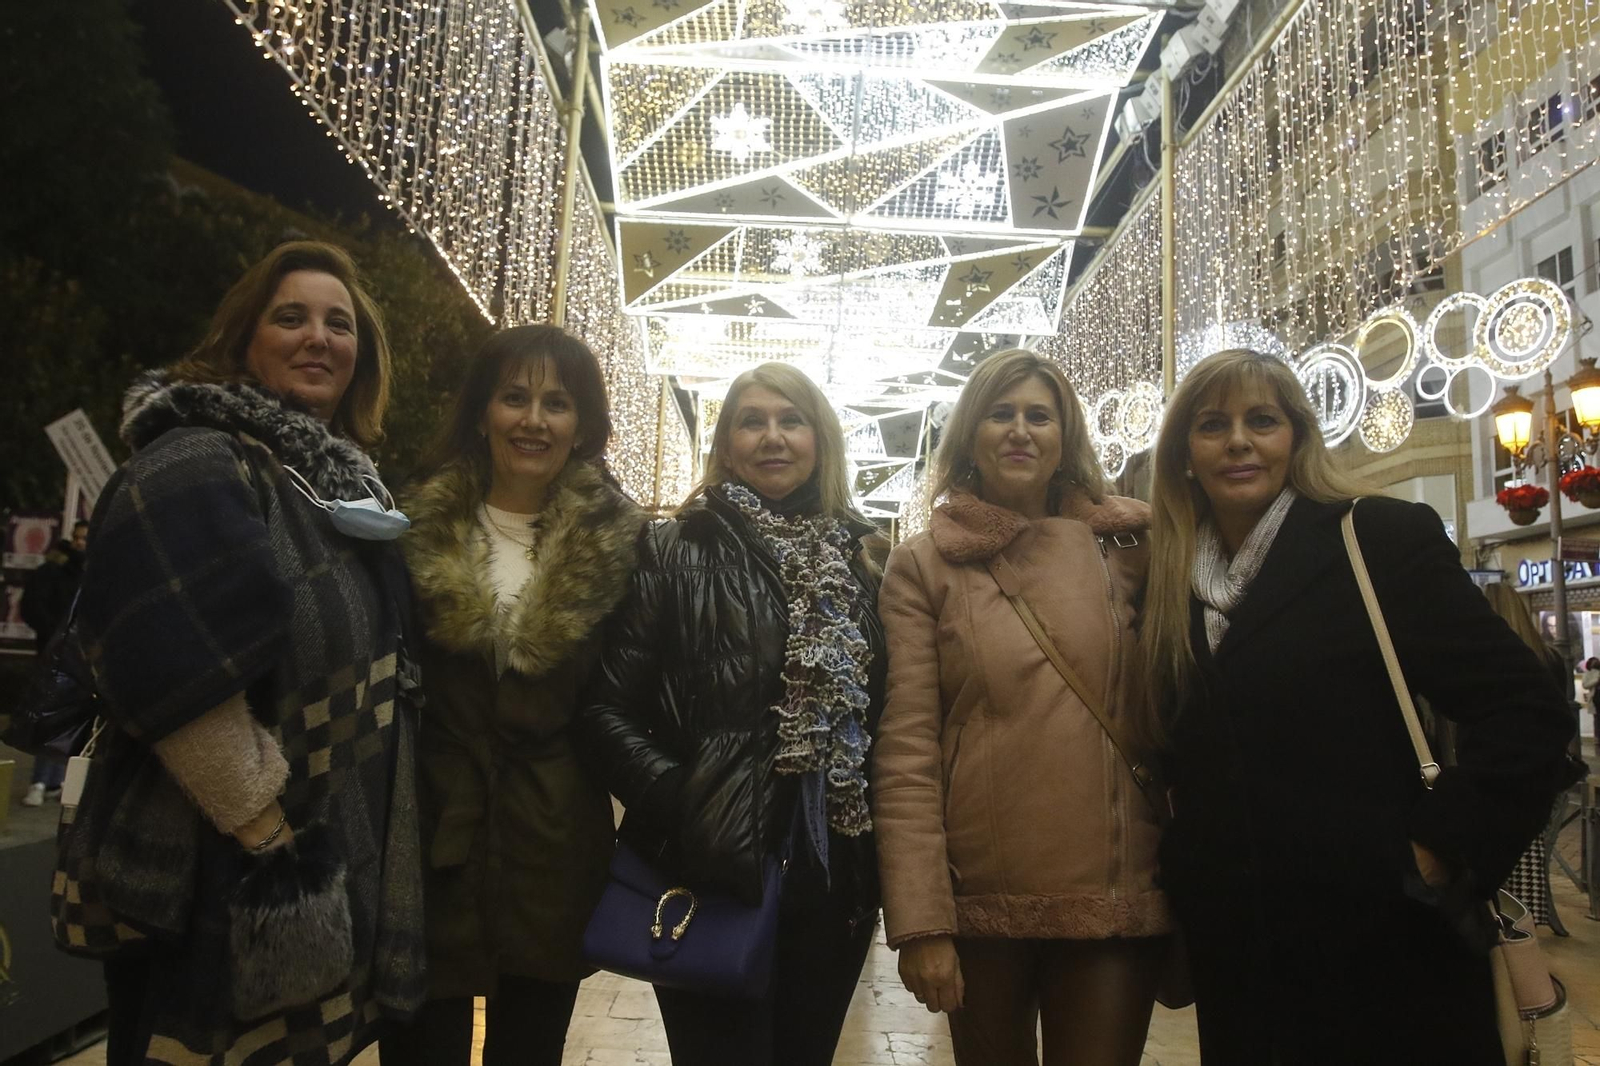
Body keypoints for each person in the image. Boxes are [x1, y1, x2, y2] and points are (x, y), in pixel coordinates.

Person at [1138, 348, 1574, 1063]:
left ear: (1298, 439)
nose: (1239, 440)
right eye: (1213, 425)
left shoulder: (1376, 538)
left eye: (1263, 420)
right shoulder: (1170, 584)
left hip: (1385, 936)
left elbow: (1527, 711)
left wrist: (1435, 851)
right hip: (1242, 952)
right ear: (1185, 453)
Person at [74, 241, 425, 1065]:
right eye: (290, 317)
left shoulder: (328, 481)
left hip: (301, 859)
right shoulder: (197, 460)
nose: (318, 338)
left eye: (339, 325)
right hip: (223, 872)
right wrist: (274, 848)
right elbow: (172, 680)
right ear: (243, 337)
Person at [577, 362, 885, 1066]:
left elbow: (887, 723)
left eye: (791, 420)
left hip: (833, 877)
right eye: (752, 421)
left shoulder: (866, 564)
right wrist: (686, 803)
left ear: (821, 440)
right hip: (710, 869)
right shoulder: (672, 550)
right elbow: (604, 710)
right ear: (725, 443)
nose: (773, 438)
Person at [872, 349, 1170, 1066]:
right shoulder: (925, 563)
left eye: (1039, 415)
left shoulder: (1132, 548)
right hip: (981, 904)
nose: (1019, 431)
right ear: (971, 433)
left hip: (1113, 893)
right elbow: (908, 749)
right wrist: (921, 923)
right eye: (1000, 414)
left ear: (1065, 436)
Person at [380, 326, 644, 1066]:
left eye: (556, 402)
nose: (534, 420)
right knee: (418, 1045)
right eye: (515, 397)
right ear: (481, 412)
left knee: (529, 1049)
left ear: (583, 425)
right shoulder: (410, 528)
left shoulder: (620, 544)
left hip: (554, 840)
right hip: (432, 829)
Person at [19, 522, 87, 806]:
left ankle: (59, 780)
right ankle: (39, 780)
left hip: (81, 658)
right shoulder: (53, 571)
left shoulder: (95, 573)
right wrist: (55, 639)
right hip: (55, 655)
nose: (83, 543)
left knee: (72, 719)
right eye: (80, 538)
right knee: (48, 716)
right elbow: (33, 607)